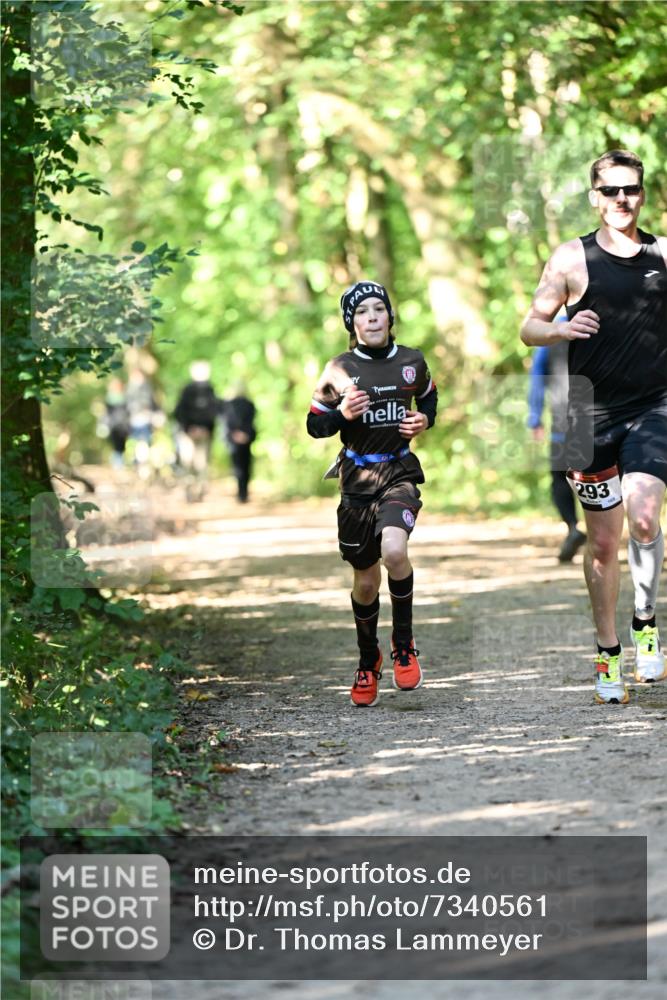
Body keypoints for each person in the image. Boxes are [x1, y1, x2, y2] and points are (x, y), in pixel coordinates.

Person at [520, 149, 666, 704]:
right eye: (610, 191)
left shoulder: (663, 254)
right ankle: (608, 653)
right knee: (604, 544)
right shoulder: (569, 259)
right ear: (594, 198)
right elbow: (529, 328)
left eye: (630, 189)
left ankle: (645, 622)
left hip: (655, 404)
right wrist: (561, 328)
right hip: (586, 412)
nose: (621, 199)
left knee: (645, 514)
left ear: (643, 194)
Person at [307, 281, 438, 707]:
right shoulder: (339, 368)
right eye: (362, 312)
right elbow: (315, 426)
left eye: (379, 308)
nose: (373, 316)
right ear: (353, 322)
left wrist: (424, 421)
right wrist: (341, 414)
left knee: (395, 552)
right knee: (365, 580)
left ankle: (403, 644)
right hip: (357, 482)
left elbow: (430, 400)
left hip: (399, 470)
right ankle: (369, 660)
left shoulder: (412, 361)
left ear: (390, 316)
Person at [526, 337, 586, 561]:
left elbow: (537, 380)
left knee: (560, 477)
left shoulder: (549, 336)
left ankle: (573, 527)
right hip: (604, 417)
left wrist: (535, 417)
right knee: (600, 476)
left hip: (564, 421)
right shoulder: (600, 323)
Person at [173, 361, 218, 500]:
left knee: (200, 463)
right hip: (189, 433)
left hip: (202, 433)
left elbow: (214, 411)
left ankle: (199, 491)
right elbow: (180, 412)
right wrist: (189, 428)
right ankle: (190, 491)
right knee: (189, 462)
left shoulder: (209, 389)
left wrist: (206, 429)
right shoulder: (188, 390)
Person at [219, 385, 256, 504]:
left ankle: (242, 494)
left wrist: (233, 435)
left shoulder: (228, 404)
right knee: (244, 467)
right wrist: (245, 435)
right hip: (244, 440)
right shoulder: (249, 404)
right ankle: (243, 494)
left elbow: (225, 424)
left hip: (238, 440)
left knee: (239, 467)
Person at [102, 377, 130, 468]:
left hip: (123, 426)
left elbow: (128, 411)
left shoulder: (125, 397)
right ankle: (117, 464)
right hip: (114, 425)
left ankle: (119, 463)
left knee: (121, 445)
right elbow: (106, 413)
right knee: (116, 445)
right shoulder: (109, 399)